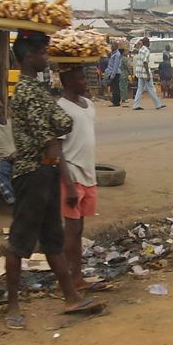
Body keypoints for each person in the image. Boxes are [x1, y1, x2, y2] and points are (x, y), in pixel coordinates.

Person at [5, 30, 101, 329]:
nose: (47, 58)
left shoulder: (39, 89)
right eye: (42, 53)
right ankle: (12, 306)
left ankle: (71, 296)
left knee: (52, 239)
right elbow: (50, 134)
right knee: (20, 241)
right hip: (31, 172)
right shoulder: (26, 92)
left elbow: (61, 124)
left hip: (45, 171)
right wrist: (69, 182)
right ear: (28, 57)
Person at [58, 67, 109, 293]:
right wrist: (68, 184)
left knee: (78, 230)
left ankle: (76, 277)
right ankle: (66, 282)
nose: (85, 81)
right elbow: (57, 149)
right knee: (71, 230)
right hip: (72, 175)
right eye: (80, 78)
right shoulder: (61, 108)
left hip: (88, 175)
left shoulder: (88, 105)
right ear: (67, 80)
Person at [132, 37, 165, 110]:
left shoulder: (141, 49)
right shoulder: (146, 50)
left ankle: (136, 105)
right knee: (151, 88)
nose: (150, 43)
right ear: (147, 43)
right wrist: (148, 74)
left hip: (139, 72)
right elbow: (145, 62)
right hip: (144, 72)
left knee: (140, 89)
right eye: (149, 42)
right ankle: (158, 104)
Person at [104, 42, 122, 107]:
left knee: (115, 88)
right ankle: (116, 101)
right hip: (111, 72)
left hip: (115, 73)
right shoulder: (112, 53)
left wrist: (112, 75)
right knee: (114, 88)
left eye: (112, 46)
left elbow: (115, 66)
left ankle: (116, 102)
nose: (111, 47)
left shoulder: (117, 54)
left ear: (116, 47)